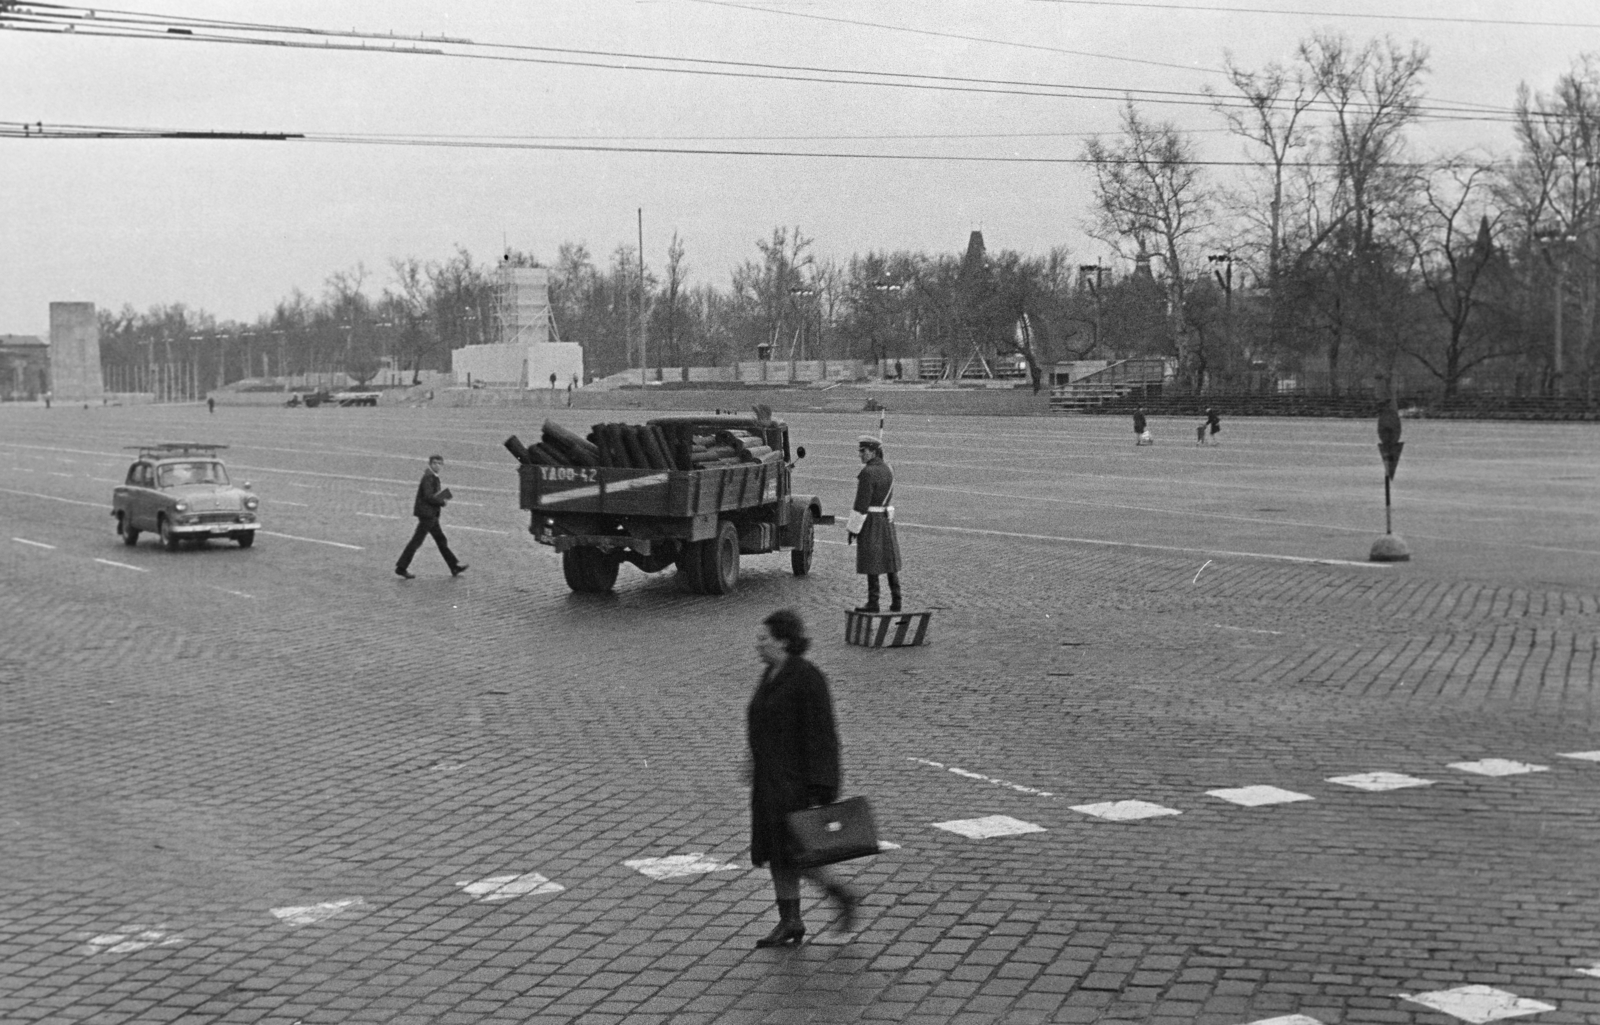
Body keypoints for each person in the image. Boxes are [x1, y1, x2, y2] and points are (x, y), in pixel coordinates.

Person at [747, 609, 859, 948]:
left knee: (796, 851)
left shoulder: (807, 678)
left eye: (764, 639)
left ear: (783, 641)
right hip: (769, 780)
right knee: (776, 850)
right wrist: (751, 759)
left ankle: (840, 895)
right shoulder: (771, 673)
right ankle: (790, 920)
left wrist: (822, 787)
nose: (758, 645)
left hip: (794, 783)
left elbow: (822, 735)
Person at [846, 436, 902, 613]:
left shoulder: (867, 473)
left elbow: (861, 503)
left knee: (872, 560)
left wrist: (853, 528)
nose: (860, 455)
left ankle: (873, 601)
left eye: (863, 451)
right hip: (886, 520)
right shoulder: (889, 469)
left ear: (873, 452)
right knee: (889, 560)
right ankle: (896, 599)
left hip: (871, 520)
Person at [395, 454, 467, 579]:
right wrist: (441, 502)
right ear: (430, 464)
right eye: (435, 463)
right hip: (427, 515)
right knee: (417, 541)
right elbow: (428, 496)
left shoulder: (433, 477)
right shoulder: (429, 477)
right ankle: (401, 568)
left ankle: (454, 566)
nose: (437, 466)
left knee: (440, 540)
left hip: (431, 515)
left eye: (439, 463)